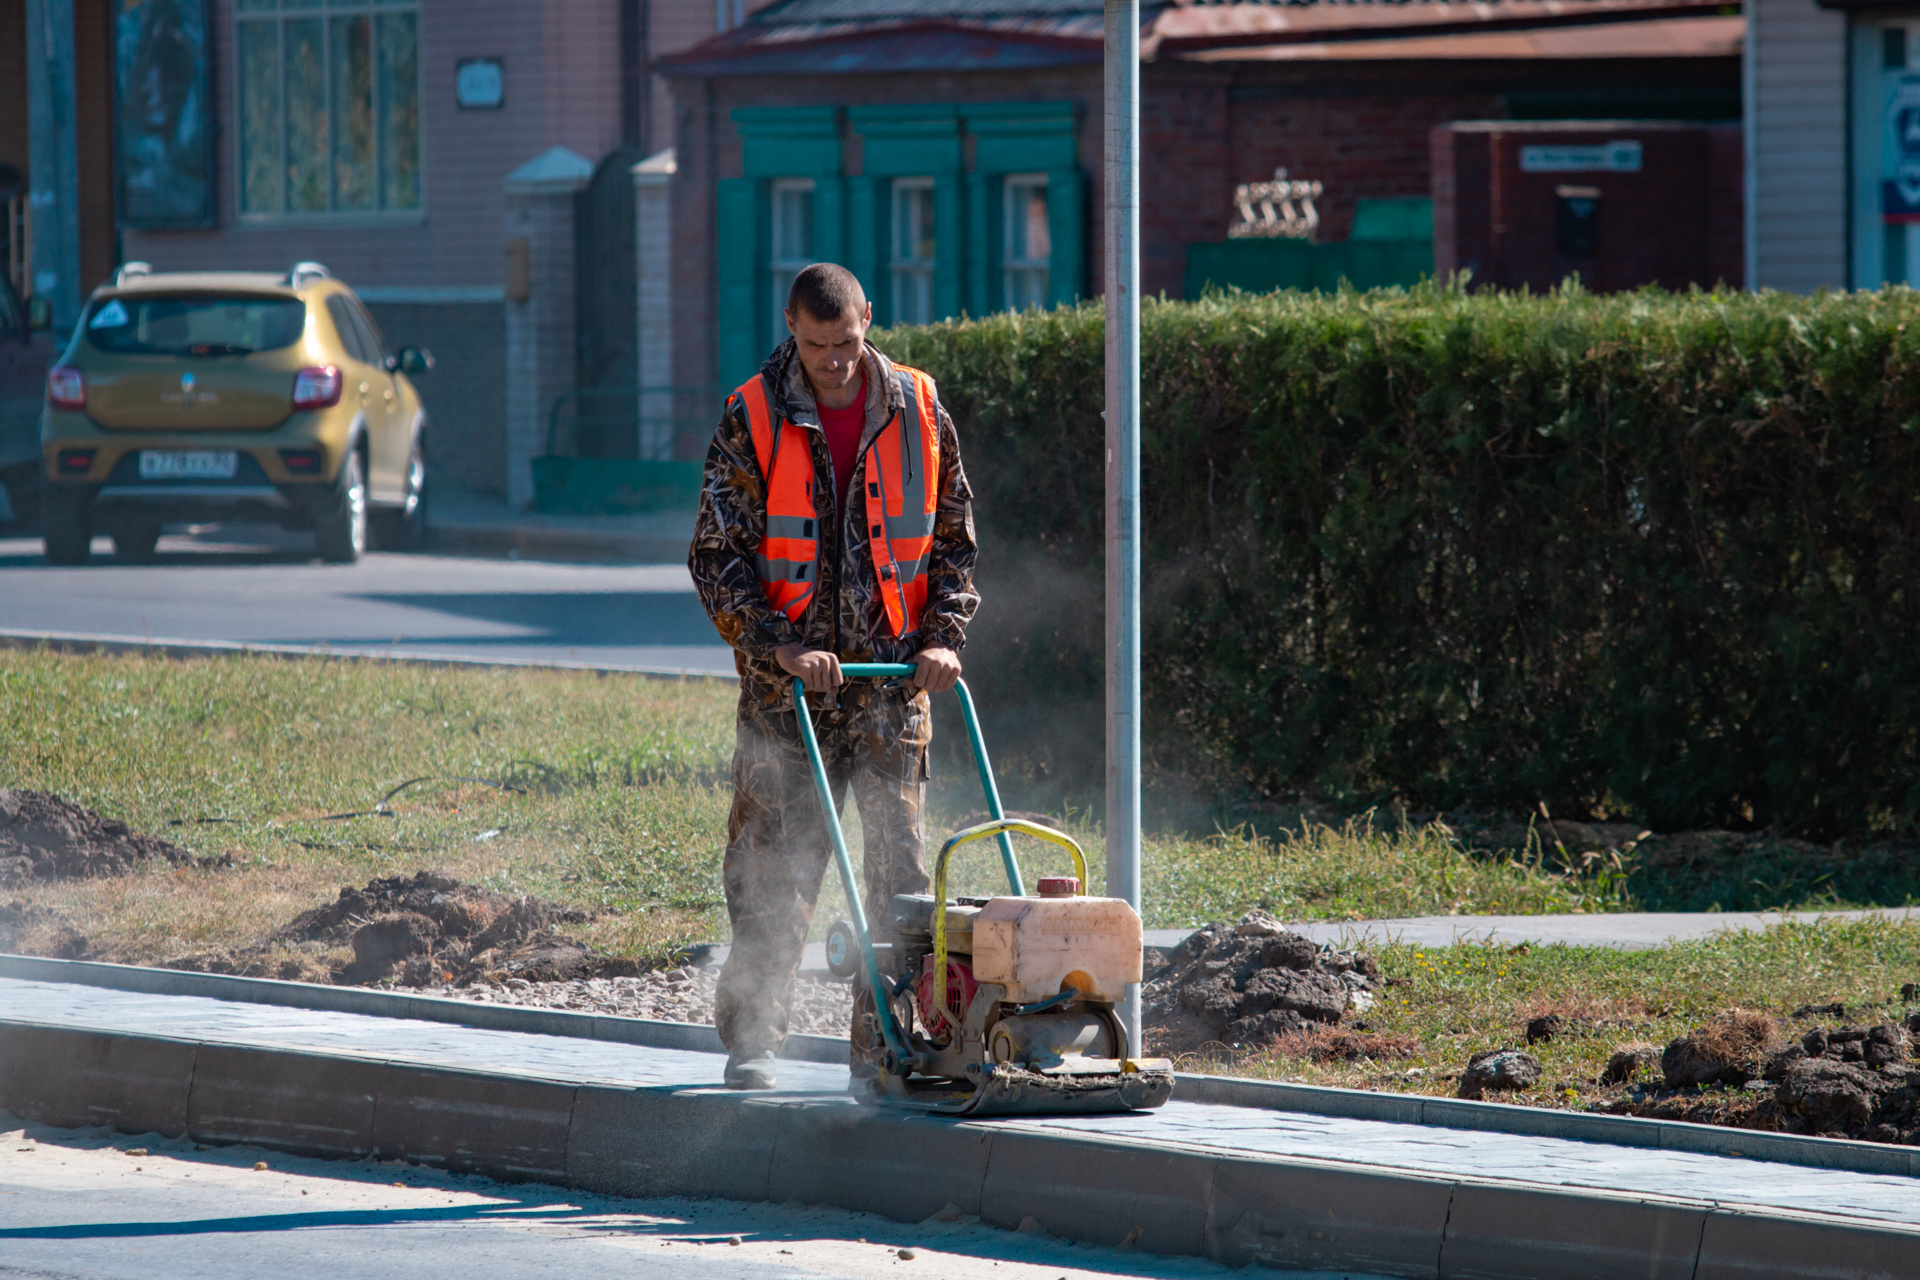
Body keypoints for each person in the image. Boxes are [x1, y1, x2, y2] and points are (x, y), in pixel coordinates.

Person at [689, 262, 979, 1090]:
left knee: (901, 879)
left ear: (868, 322)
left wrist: (945, 636)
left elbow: (954, 541)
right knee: (772, 868)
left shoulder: (918, 407)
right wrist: (776, 646)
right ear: (791, 329)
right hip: (788, 695)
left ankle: (886, 1045)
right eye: (818, 345)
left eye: (848, 342)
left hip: (894, 683)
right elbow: (716, 558)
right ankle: (754, 1039)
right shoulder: (751, 414)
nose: (836, 361)